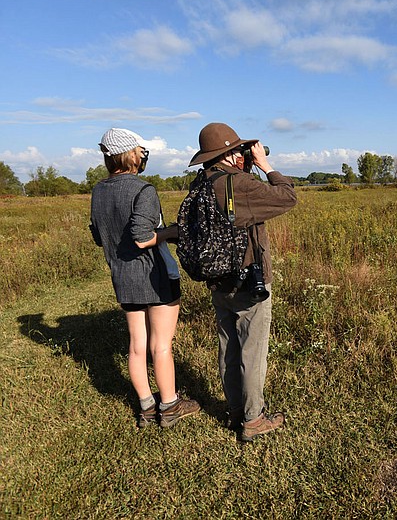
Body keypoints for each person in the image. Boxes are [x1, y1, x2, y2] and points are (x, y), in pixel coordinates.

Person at [186, 122, 296, 442]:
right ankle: (253, 419)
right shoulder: (240, 184)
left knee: (229, 347)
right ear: (230, 154)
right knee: (252, 350)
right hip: (249, 281)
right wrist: (265, 165)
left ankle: (235, 409)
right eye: (239, 150)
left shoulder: (200, 183)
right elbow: (286, 197)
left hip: (218, 279)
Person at [90, 127, 200, 428]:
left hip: (122, 278)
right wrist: (174, 232)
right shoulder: (144, 190)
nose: (143, 154)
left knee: (137, 345)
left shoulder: (98, 191)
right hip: (156, 274)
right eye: (139, 149)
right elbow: (142, 238)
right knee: (161, 345)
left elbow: (100, 238)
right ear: (129, 154)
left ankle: (147, 406)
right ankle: (170, 404)